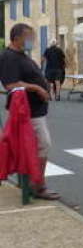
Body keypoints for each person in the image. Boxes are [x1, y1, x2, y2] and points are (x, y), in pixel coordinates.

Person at [0, 24, 59, 200]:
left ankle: (30, 182)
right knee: (43, 145)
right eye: (29, 37)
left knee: (37, 147)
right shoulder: (9, 57)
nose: (32, 40)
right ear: (17, 38)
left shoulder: (20, 55)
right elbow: (10, 84)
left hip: (34, 110)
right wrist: (36, 88)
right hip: (28, 112)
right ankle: (37, 186)